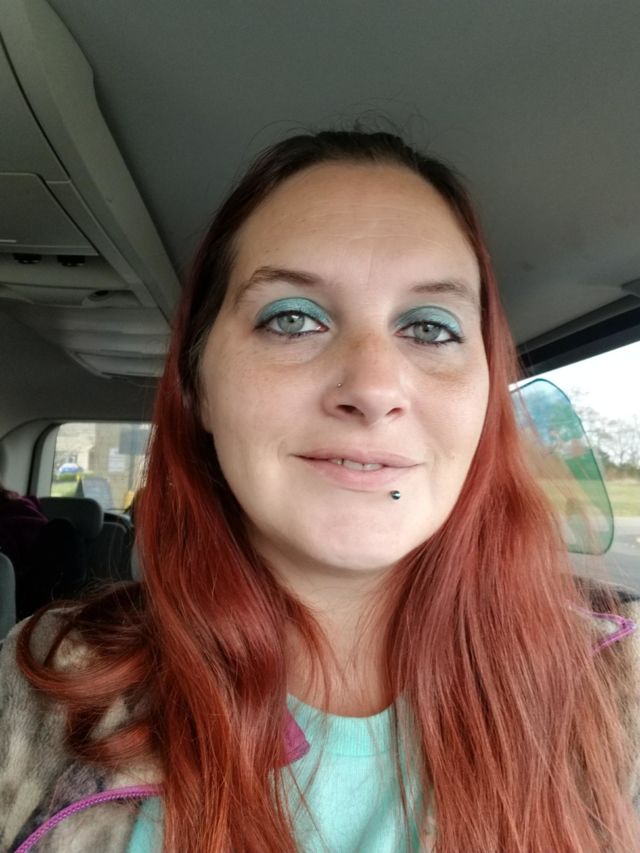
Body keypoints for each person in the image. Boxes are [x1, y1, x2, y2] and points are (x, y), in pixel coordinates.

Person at [1, 129, 639, 853]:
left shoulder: (618, 686)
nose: (373, 386)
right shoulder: (50, 677)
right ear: (197, 387)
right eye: (292, 318)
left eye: (431, 328)